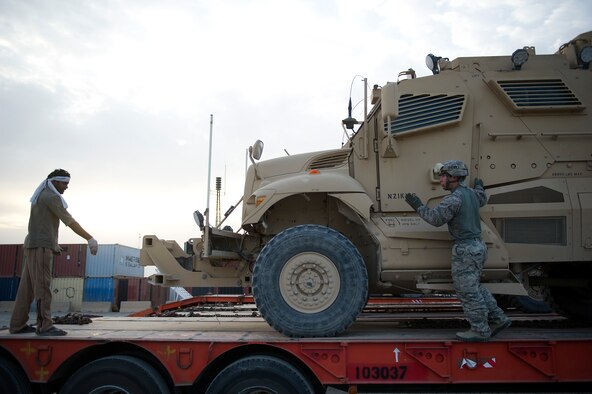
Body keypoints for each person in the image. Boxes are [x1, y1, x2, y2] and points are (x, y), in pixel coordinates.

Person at [404, 160, 510, 342]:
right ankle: (498, 318)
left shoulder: (454, 198)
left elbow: (435, 219)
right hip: (478, 246)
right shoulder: (471, 194)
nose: (441, 180)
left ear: (453, 177)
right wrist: (479, 187)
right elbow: (481, 197)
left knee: (467, 291)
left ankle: (480, 330)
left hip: (465, 250)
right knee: (475, 286)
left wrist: (418, 206)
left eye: (443, 176)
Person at [10, 169, 98, 336]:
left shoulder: (40, 194)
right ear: (55, 181)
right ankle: (45, 326)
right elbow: (69, 220)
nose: (66, 187)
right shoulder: (51, 197)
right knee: (43, 287)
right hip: (41, 247)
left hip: (31, 245)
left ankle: (17, 324)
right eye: (64, 183)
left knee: (26, 289)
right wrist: (90, 238)